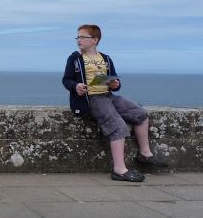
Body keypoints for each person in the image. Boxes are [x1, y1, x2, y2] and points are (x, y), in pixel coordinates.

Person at [62, 24, 168, 182]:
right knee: (118, 126)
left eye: (82, 37)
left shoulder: (106, 58)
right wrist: (76, 86)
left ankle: (145, 154)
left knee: (141, 114)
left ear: (94, 40)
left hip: (107, 95)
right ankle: (119, 170)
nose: (78, 40)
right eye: (77, 37)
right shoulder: (75, 58)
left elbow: (115, 80)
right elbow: (66, 80)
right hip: (91, 99)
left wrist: (115, 84)